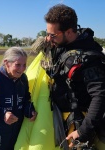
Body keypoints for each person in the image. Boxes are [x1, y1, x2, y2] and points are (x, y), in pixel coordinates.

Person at [32, 4, 105, 149]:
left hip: (81, 124)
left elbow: (100, 96)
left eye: (52, 35)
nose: (49, 38)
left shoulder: (89, 58)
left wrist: (82, 132)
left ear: (70, 32)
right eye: (47, 33)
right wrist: (48, 42)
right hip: (61, 117)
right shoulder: (62, 45)